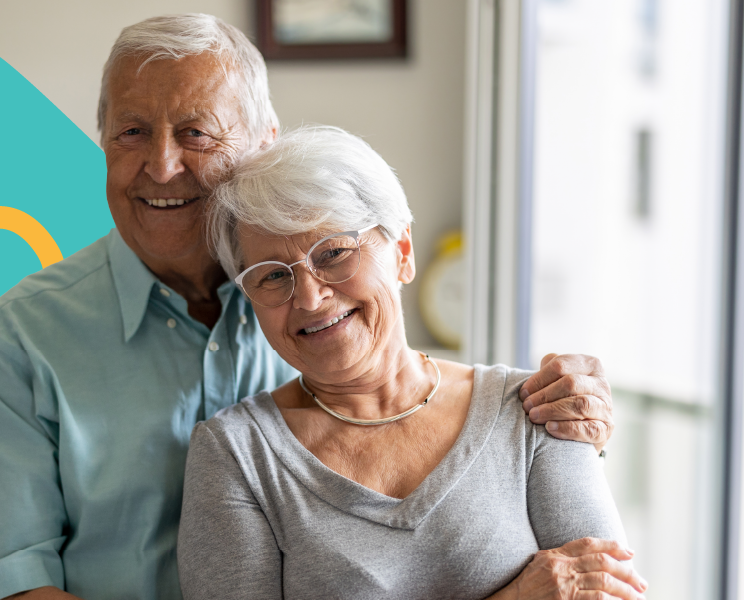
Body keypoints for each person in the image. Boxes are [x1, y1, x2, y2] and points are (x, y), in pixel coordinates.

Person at [0, 14, 618, 600]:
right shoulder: (21, 340)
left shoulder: (349, 335)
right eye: (130, 132)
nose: (161, 164)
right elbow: (4, 587)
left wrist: (568, 424)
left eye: (197, 132)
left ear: (263, 143)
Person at [178, 125, 643, 600]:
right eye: (274, 275)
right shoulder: (236, 455)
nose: (312, 298)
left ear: (402, 251)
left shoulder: (533, 408)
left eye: (334, 252)